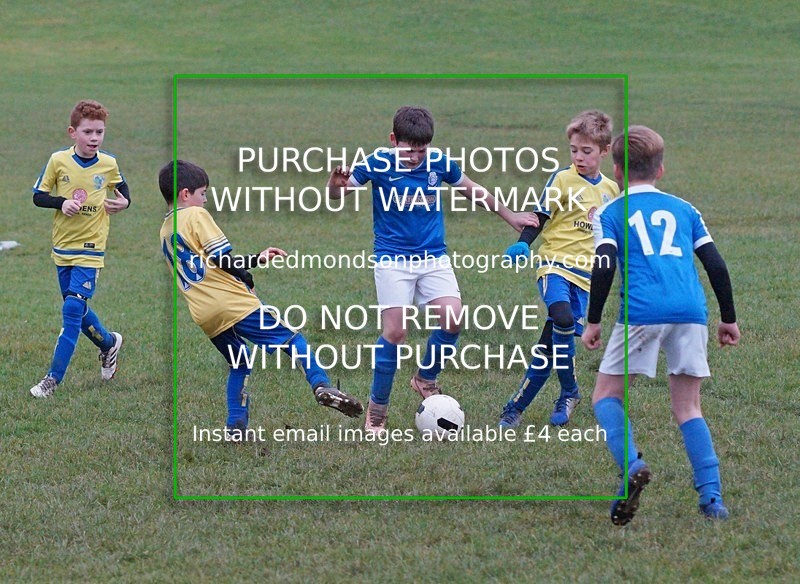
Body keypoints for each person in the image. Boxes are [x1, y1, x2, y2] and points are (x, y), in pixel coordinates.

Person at [326, 106, 537, 434]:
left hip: (433, 258)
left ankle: (425, 378)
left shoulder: (438, 162)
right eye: (408, 150)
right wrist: (335, 184)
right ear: (393, 140)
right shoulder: (378, 163)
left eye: (421, 150)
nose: (415, 158)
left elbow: (472, 189)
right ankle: (377, 411)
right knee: (395, 333)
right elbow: (338, 195)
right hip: (393, 260)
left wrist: (511, 216)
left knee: (453, 319)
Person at [581, 125, 741, 524]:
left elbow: (604, 265)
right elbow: (715, 264)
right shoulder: (685, 209)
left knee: (606, 396)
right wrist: (729, 318)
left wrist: (593, 321)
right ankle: (712, 499)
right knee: (688, 407)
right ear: (661, 169)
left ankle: (632, 466)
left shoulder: (610, 213)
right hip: (690, 312)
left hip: (642, 311)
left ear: (617, 171)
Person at [159, 160, 362, 439]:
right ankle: (322, 385)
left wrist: (247, 271)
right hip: (233, 304)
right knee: (292, 339)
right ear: (185, 194)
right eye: (202, 193)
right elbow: (221, 259)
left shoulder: (165, 230)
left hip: (204, 314)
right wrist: (252, 267)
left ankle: (236, 428)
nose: (204, 200)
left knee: (239, 363)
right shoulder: (195, 215)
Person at [499, 110, 619, 427]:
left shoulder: (611, 190)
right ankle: (570, 390)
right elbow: (540, 216)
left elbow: (614, 236)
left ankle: (516, 406)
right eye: (574, 150)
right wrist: (524, 243)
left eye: (587, 151)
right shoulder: (562, 179)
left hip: (586, 277)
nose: (578, 157)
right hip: (554, 264)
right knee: (562, 318)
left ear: (605, 151)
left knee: (548, 348)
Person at [30, 99, 130, 398]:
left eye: (100, 132)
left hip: (92, 247)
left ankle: (52, 379)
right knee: (76, 308)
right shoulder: (58, 160)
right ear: (73, 132)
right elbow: (38, 196)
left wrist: (124, 202)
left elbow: (122, 188)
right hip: (63, 246)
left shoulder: (108, 163)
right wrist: (61, 202)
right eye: (88, 132)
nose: (94, 138)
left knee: (72, 308)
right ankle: (109, 344)